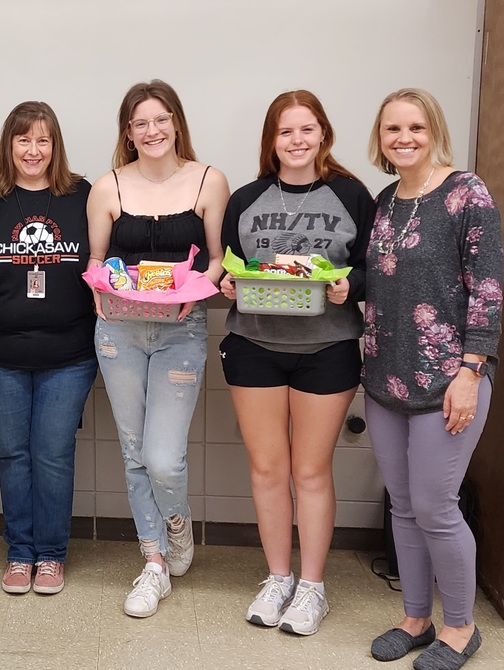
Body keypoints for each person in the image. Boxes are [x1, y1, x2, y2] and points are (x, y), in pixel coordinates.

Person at [217, 90, 375, 636]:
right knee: (267, 470)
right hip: (254, 345)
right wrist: (229, 282)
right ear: (272, 140)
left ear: (324, 134)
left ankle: (312, 586)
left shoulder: (351, 195)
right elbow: (229, 271)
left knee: (310, 471)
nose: (297, 140)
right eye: (286, 131)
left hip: (326, 349)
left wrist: (347, 286)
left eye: (307, 129)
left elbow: (374, 269)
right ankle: (278, 577)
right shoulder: (246, 198)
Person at [363, 88, 501, 670]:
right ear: (380, 138)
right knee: (402, 506)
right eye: (393, 129)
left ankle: (460, 627)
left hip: (449, 380)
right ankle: (415, 617)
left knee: (436, 505)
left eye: (415, 127)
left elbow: (489, 291)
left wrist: (471, 371)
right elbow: (385, 283)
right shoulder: (385, 199)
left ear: (434, 129)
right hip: (384, 379)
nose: (404, 139)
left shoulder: (466, 193)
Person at [86, 80, 228, 618]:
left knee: (161, 457)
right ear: (128, 131)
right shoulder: (108, 188)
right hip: (119, 333)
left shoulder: (209, 181)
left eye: (161, 119)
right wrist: (102, 287)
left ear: (176, 122)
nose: (152, 130)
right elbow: (98, 263)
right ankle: (154, 562)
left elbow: (217, 260)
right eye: (140, 122)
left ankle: (176, 522)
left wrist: (190, 287)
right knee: (132, 451)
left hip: (181, 331)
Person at [0, 101, 97, 596]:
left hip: (69, 356)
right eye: (23, 140)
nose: (33, 150)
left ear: (55, 145)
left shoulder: (82, 196)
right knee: (14, 453)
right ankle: (20, 553)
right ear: (9, 145)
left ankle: (51, 555)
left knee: (52, 454)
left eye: (43, 140)